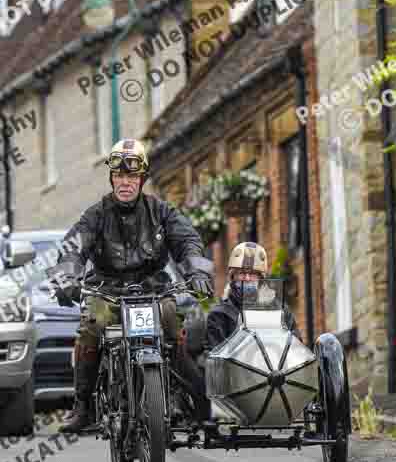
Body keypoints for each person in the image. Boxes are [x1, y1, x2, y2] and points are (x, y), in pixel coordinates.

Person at [49, 138, 213, 434]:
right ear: (112, 178)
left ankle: (183, 397)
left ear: (142, 179)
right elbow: (74, 246)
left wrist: (196, 271)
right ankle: (83, 405)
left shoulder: (162, 212)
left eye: (132, 176)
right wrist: (67, 277)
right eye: (119, 176)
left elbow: (188, 241)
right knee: (91, 325)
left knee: (171, 325)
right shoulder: (96, 214)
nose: (125, 182)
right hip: (107, 291)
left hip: (153, 290)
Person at [206, 242, 300, 348]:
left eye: (252, 274)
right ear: (233, 276)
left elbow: (296, 346)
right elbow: (216, 359)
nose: (247, 278)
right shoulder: (220, 314)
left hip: (273, 363)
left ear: (260, 278)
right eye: (241, 273)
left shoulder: (279, 309)